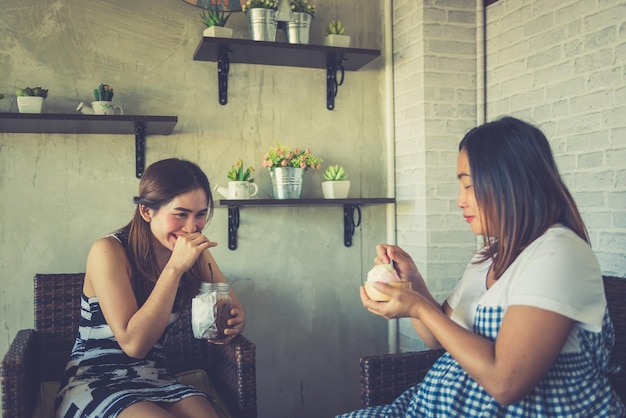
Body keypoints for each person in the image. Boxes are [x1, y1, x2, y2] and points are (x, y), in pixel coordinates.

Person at [338, 117, 625, 417]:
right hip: (424, 407)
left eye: (469, 185)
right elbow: (437, 337)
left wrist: (417, 307)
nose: (460, 200)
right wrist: (413, 285)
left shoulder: (560, 254)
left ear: (510, 183)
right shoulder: (490, 256)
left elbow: (505, 382)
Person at [55, 158, 246, 418]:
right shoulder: (108, 251)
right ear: (147, 211)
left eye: (200, 214)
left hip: (155, 376)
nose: (191, 227)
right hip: (95, 378)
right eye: (180, 214)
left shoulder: (195, 251)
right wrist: (175, 269)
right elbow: (134, 345)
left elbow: (229, 305)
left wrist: (234, 321)